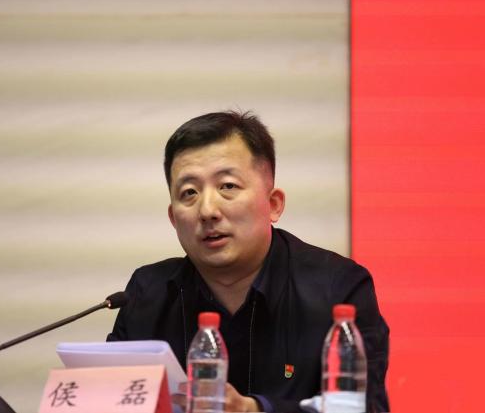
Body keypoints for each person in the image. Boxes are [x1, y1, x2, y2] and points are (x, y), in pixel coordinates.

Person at [107, 111, 389, 413]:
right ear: (173, 218)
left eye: (227, 186)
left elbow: (367, 408)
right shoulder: (146, 294)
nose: (207, 210)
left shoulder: (337, 289)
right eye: (189, 192)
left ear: (273, 204)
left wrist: (253, 410)